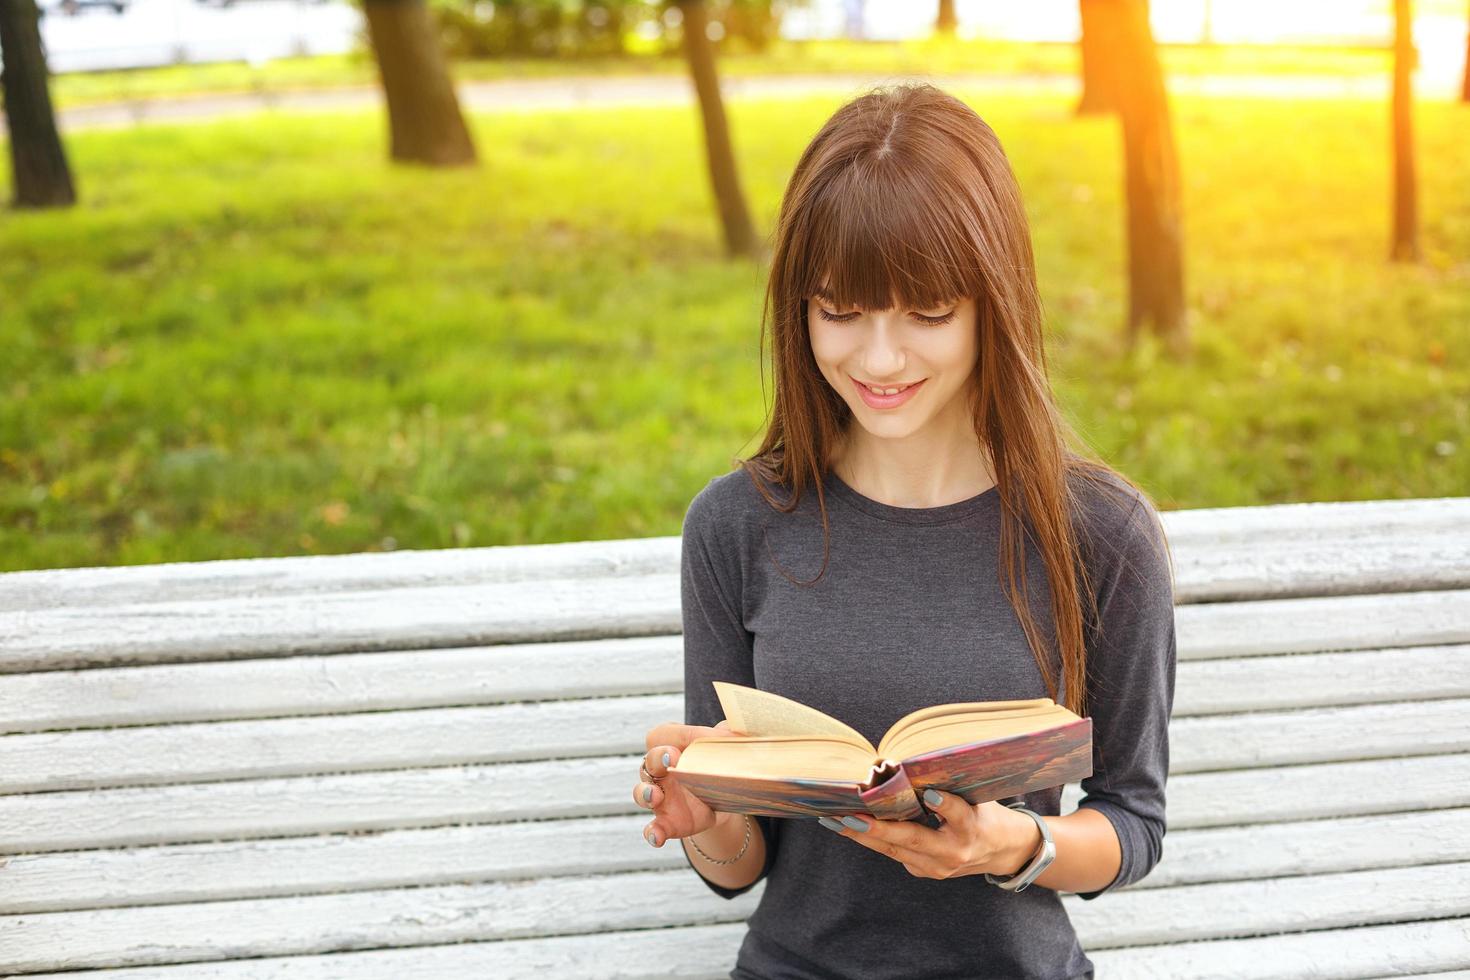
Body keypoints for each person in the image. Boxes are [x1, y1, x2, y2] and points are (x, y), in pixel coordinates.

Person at [632, 82, 1177, 980]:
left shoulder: (1102, 537)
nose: (878, 360)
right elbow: (737, 871)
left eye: (927, 313)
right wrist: (713, 821)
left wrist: (1011, 846)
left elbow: (1133, 823)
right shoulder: (735, 528)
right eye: (838, 312)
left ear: (991, 303)